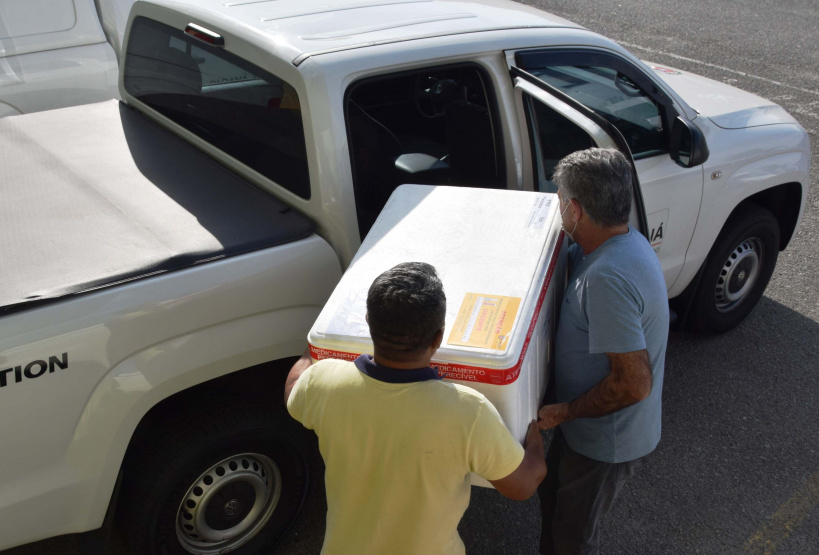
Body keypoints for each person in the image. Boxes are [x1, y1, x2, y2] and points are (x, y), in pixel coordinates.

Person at [285, 262, 546, 555]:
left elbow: (293, 386)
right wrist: (535, 440)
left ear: (369, 322)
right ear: (438, 337)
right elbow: (523, 485)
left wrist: (312, 346)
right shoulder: (469, 411)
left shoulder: (323, 382)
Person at [537, 148, 670, 555]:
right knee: (556, 502)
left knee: (573, 538)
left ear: (575, 210)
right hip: (584, 428)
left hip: (603, 440)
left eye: (560, 199)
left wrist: (564, 412)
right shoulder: (618, 241)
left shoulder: (608, 278)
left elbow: (633, 384)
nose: (557, 206)